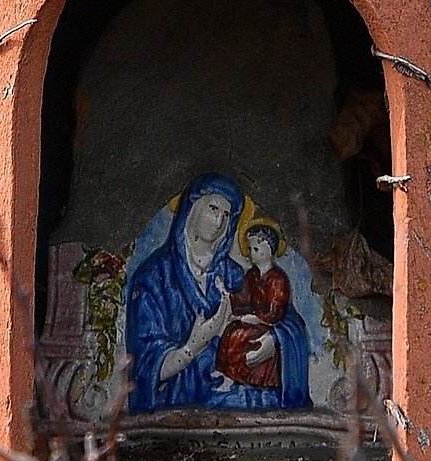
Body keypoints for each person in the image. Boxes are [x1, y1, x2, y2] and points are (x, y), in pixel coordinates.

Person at [125, 175, 310, 414]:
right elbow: (142, 367)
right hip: (182, 399)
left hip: (243, 392)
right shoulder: (153, 278)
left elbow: (285, 316)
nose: (219, 222)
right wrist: (192, 346)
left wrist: (275, 339)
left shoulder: (234, 274)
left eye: (227, 215)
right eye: (213, 208)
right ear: (192, 207)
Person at [217, 222, 294, 392]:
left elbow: (275, 310)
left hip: (266, 323)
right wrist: (228, 295)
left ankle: (242, 378)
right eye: (250, 249)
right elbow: (243, 298)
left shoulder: (277, 280)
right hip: (253, 319)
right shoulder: (252, 275)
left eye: (255, 250)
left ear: (268, 250)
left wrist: (257, 317)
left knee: (239, 336)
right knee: (230, 330)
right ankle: (226, 373)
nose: (251, 254)